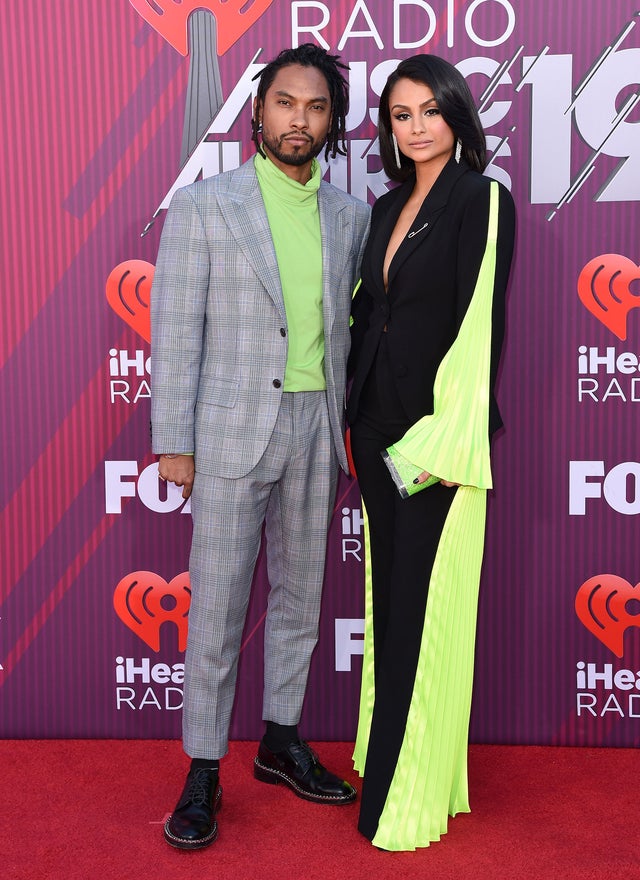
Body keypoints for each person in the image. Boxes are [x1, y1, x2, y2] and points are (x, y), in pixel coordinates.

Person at [150, 43, 370, 850]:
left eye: (315, 108)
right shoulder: (206, 206)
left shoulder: (351, 216)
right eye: (286, 104)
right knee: (216, 604)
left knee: (301, 596)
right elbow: (174, 329)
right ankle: (203, 766)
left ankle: (280, 739)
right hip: (228, 429)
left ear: (332, 123)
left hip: (318, 425)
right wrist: (174, 438)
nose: (298, 121)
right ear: (259, 110)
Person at [347, 54, 515, 851]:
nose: (414, 128)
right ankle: (393, 770)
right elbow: (365, 321)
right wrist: (354, 425)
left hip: (433, 441)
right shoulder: (383, 207)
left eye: (429, 111)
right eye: (400, 115)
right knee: (392, 610)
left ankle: (402, 796)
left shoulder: (482, 201)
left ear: (456, 115)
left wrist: (445, 441)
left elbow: (480, 324)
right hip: (374, 427)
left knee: (421, 615)